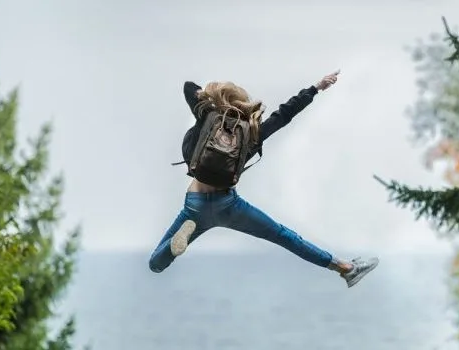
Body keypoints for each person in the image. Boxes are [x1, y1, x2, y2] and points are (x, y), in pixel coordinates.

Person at [148, 70, 379, 288]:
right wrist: (316, 87)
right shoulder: (251, 132)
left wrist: (211, 99)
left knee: (156, 264)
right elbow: (285, 114)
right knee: (284, 236)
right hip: (228, 206)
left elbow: (189, 87)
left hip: (195, 205)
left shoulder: (207, 117)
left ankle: (175, 244)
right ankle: (346, 268)